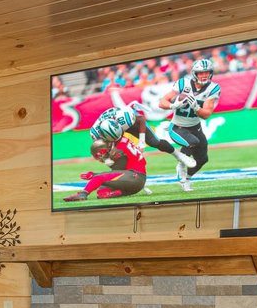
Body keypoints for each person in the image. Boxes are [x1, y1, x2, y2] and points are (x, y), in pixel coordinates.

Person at [161, 56, 224, 189]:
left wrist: (196, 107)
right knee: (192, 142)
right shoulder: (183, 83)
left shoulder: (213, 88)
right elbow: (162, 102)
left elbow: (206, 115)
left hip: (196, 127)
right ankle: (181, 165)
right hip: (177, 127)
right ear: (195, 73)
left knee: (203, 159)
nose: (204, 75)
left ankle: (186, 179)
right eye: (201, 73)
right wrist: (173, 105)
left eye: (207, 72)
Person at [63, 133, 148, 201]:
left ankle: (83, 194)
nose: (101, 158)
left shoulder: (118, 150)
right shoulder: (120, 142)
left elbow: (116, 171)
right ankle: (118, 192)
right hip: (134, 180)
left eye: (100, 155)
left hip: (134, 177)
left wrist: (94, 175)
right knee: (102, 191)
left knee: (99, 178)